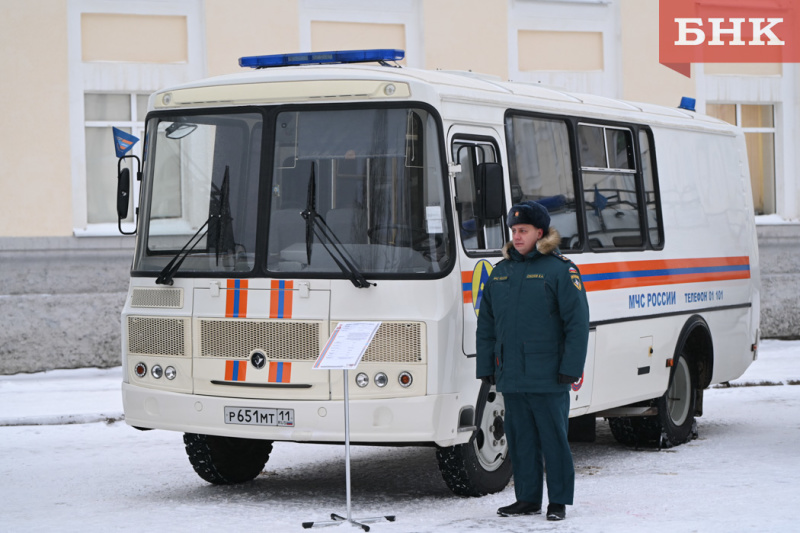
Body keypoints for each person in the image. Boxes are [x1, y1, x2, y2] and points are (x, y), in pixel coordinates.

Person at [476, 200, 589, 521]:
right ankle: (527, 499)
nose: (517, 236)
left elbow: (577, 323)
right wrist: (486, 367)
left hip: (548, 375)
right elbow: (487, 325)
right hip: (511, 374)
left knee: (553, 440)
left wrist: (570, 368)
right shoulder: (501, 272)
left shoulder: (560, 270)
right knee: (520, 440)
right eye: (514, 230)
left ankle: (558, 502)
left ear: (540, 232)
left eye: (523, 230)